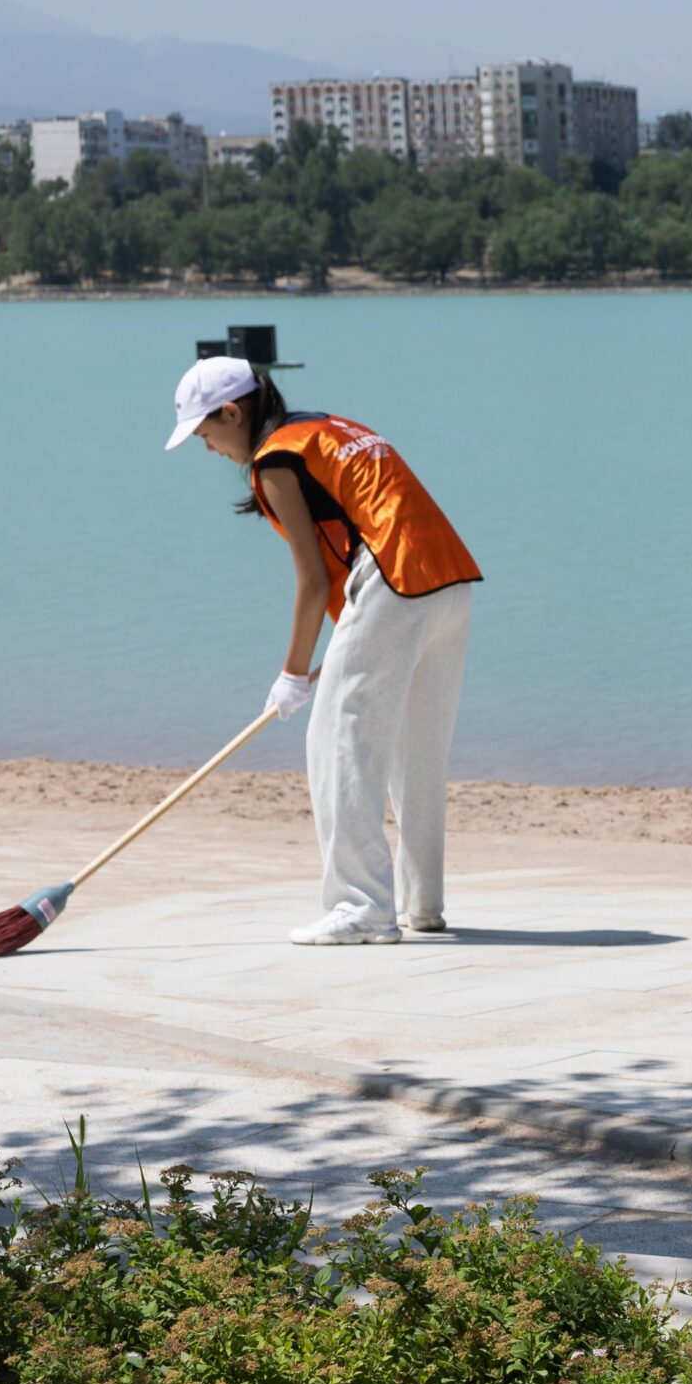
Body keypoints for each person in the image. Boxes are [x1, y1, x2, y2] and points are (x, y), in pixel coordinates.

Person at [168, 355, 481, 944]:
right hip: (451, 582)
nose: (209, 451)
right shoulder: (327, 426)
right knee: (417, 751)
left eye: (207, 435)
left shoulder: (274, 461)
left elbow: (313, 578)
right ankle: (422, 903)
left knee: (338, 739)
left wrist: (291, 673)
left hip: (395, 583)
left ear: (233, 412)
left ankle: (361, 906)